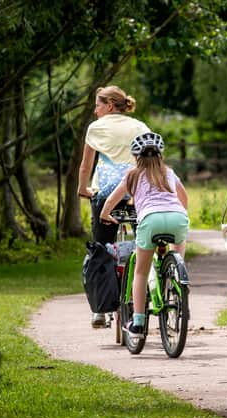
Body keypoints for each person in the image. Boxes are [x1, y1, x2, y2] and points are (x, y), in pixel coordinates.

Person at [100, 132, 189, 340]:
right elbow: (183, 197)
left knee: (140, 272)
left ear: (136, 156)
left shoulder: (132, 175)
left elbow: (112, 200)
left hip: (150, 220)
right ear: (161, 155)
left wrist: (105, 215)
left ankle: (138, 323)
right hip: (177, 218)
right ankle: (177, 284)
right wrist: (180, 214)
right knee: (178, 252)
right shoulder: (169, 172)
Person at [77, 85, 150, 328]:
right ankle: (145, 296)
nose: (95, 111)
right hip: (136, 194)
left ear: (109, 105)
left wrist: (82, 188)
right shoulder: (140, 126)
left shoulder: (96, 128)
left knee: (100, 247)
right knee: (144, 244)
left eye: (97, 105)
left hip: (106, 194)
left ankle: (99, 311)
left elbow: (86, 166)